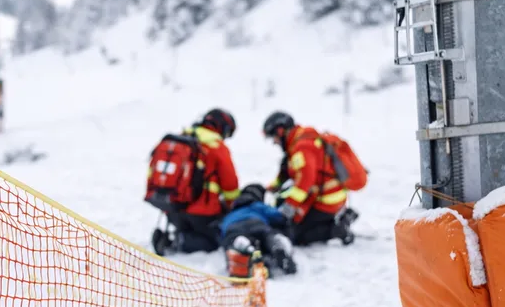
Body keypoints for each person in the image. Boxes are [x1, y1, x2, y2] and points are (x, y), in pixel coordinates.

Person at [261, 111, 368, 247]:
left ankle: (337, 230)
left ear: (280, 131)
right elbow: (289, 172)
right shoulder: (299, 140)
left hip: (326, 201)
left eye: (273, 138)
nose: (274, 142)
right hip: (328, 195)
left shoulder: (302, 147)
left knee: (295, 235)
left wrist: (289, 207)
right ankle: (345, 216)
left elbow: (305, 181)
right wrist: (271, 187)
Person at [146, 108, 241, 255]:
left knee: (184, 223)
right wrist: (233, 206)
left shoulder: (180, 138)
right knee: (215, 241)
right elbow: (230, 185)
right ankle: (182, 241)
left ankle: (171, 237)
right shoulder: (216, 145)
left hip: (172, 207)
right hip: (203, 213)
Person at [219, 184, 297, 278]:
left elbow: (221, 231)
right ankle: (277, 244)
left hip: (233, 228)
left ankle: (243, 248)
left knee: (232, 240)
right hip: (256, 223)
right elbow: (278, 216)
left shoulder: (230, 214)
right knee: (267, 235)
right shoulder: (257, 205)